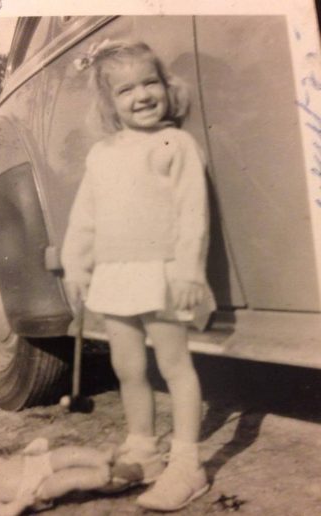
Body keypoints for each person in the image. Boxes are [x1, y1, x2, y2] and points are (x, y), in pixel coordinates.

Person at [61, 40, 215, 511]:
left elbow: (193, 212)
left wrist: (189, 270)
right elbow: (84, 217)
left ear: (167, 87)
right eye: (126, 89)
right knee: (128, 368)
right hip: (115, 275)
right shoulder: (101, 154)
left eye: (150, 83)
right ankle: (143, 450)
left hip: (162, 272)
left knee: (174, 366)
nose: (142, 95)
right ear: (109, 103)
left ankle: (187, 464)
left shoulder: (174, 143)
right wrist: (76, 265)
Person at [0, 437, 141, 515]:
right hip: (37, 488)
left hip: (37, 463)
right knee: (68, 478)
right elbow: (4, 513)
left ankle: (100, 458)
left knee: (67, 454)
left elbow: (15, 462)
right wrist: (21, 502)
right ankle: (98, 477)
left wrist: (27, 453)